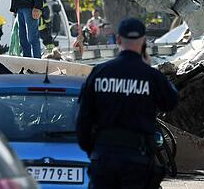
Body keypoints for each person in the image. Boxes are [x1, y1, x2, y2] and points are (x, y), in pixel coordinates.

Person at [76, 17, 179, 188]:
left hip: (104, 157)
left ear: (118, 40)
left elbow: (82, 121)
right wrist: (149, 68)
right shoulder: (150, 76)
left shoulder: (99, 73)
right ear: (144, 42)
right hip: (137, 160)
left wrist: (94, 150)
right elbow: (171, 102)